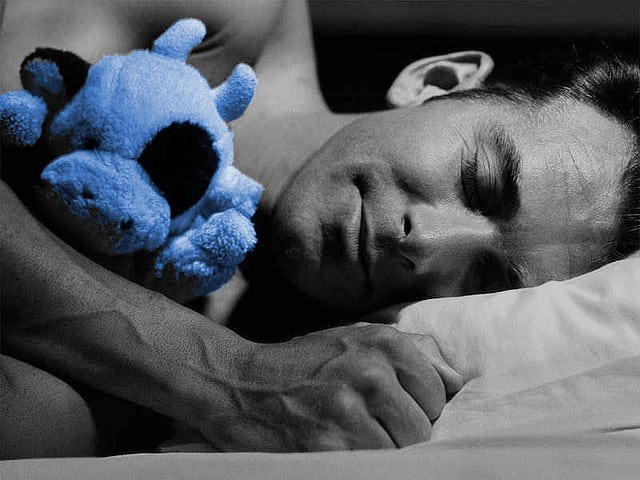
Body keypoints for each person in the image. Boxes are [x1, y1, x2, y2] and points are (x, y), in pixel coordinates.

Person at [1, 0, 638, 458]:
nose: (425, 244)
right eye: (480, 181)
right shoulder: (227, 18)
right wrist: (230, 375)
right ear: (438, 81)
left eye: (486, 279)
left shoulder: (287, 396)